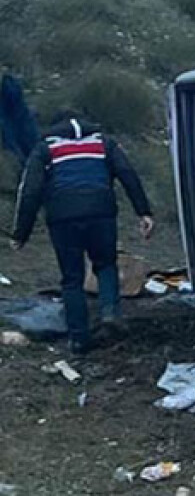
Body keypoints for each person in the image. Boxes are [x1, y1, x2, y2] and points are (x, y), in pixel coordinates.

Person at [9, 113, 154, 355]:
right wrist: (143, 212)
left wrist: (20, 233)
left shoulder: (45, 149)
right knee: (105, 263)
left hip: (62, 217)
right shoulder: (103, 144)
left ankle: (79, 340)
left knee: (72, 278)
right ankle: (110, 312)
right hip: (101, 211)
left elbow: (30, 191)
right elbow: (127, 173)